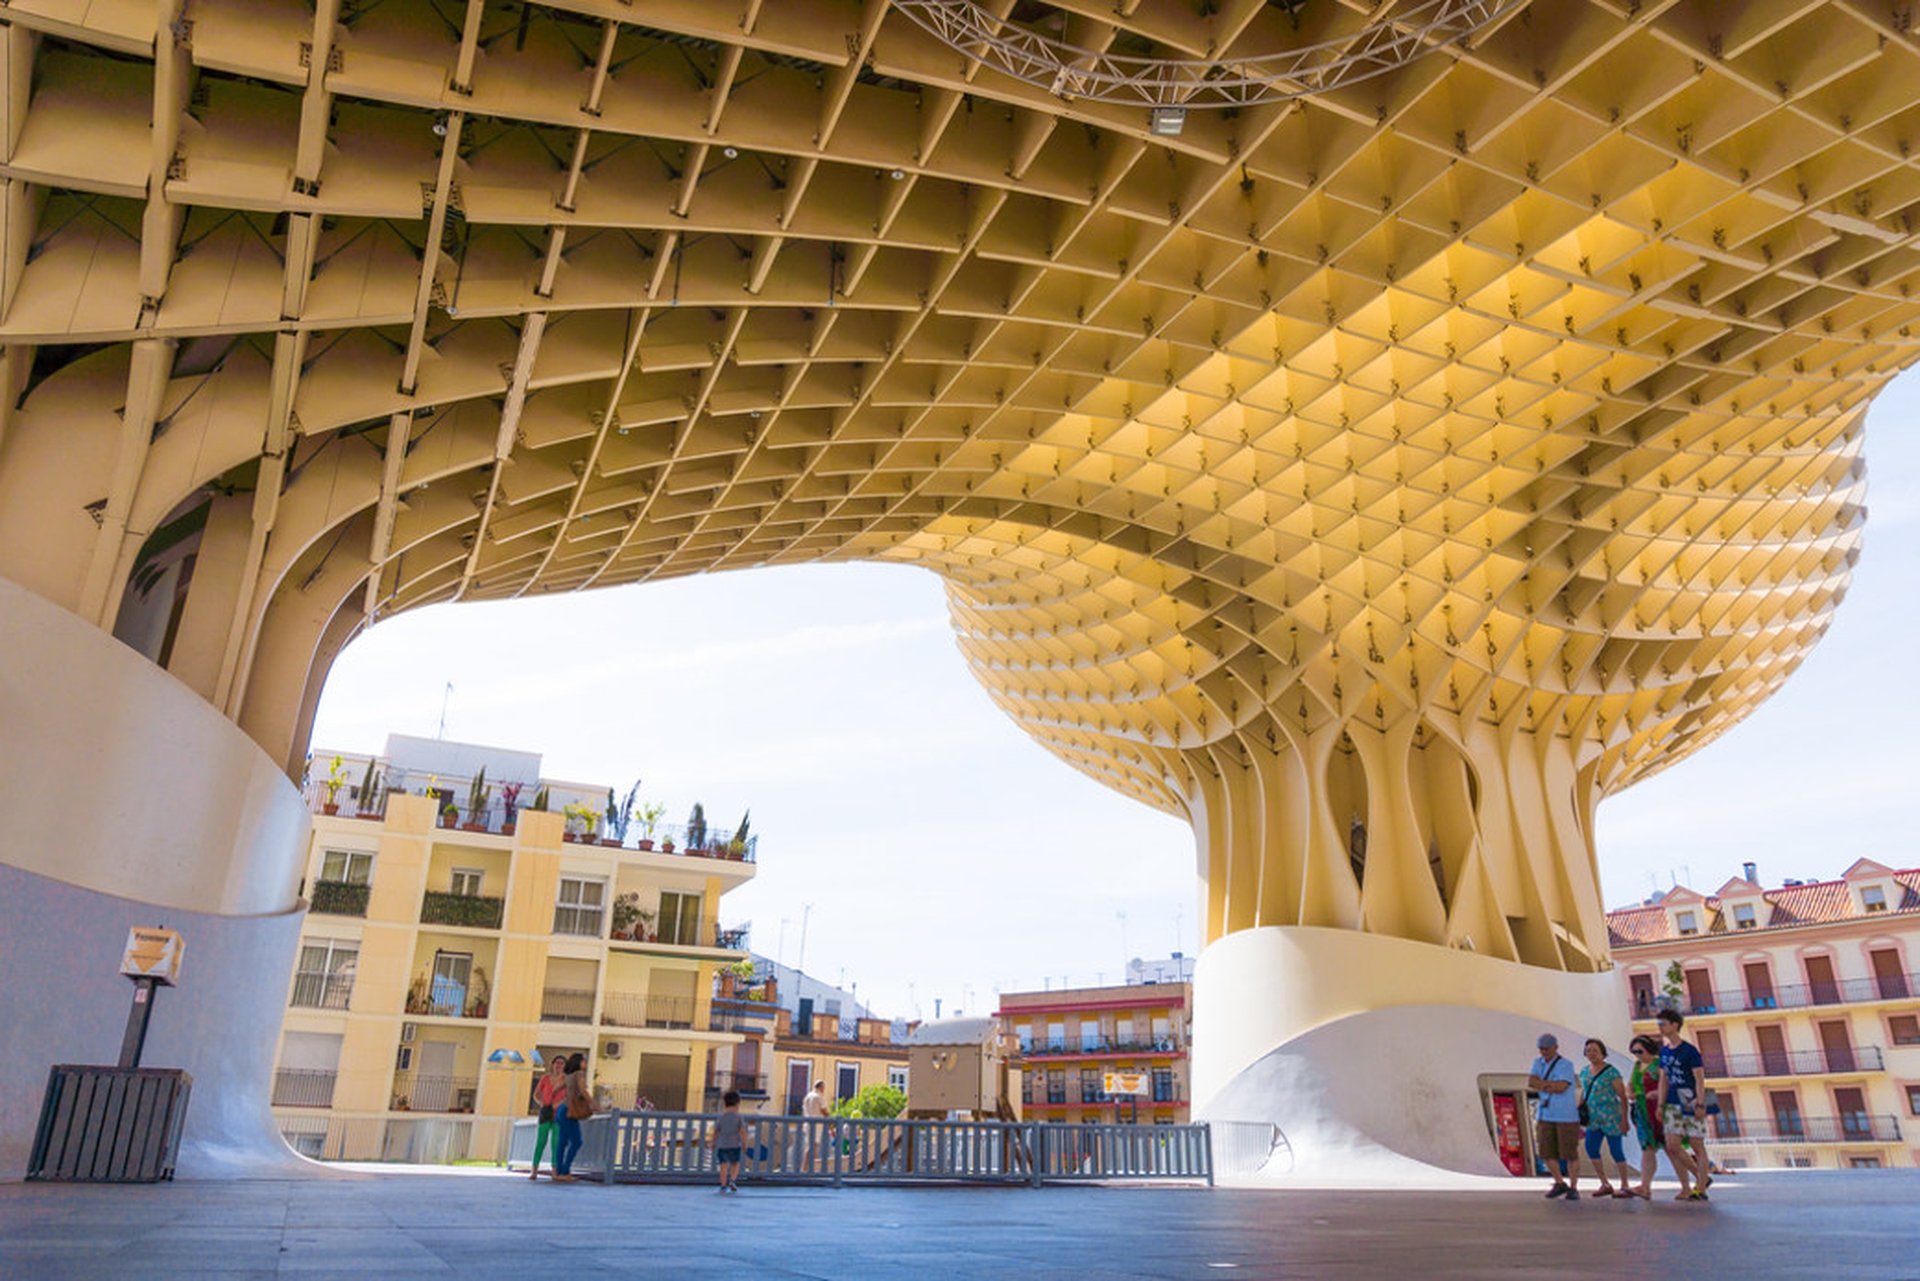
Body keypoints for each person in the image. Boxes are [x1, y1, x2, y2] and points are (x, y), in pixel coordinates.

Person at [1655, 1011, 1710, 1201]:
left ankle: (1701, 1188)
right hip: (1671, 1102)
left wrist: (1701, 1103)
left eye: (1663, 1023)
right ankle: (1700, 1176)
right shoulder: (1663, 1052)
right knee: (1672, 1145)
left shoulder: (1690, 1051)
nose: (1660, 1026)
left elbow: (1699, 1078)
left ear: (1675, 1025)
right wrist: (1660, 1104)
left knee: (1697, 1144)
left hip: (1690, 1099)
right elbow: (1663, 1080)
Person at [1528, 1032, 1582, 1200]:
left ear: (1555, 1048)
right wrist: (1549, 1085)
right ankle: (1559, 1182)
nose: (1543, 1052)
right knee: (1546, 1151)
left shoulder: (1565, 1064)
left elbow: (1562, 1087)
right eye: (1541, 1049)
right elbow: (1531, 1082)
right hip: (1545, 1114)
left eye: (1546, 1048)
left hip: (1566, 1115)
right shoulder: (1537, 1063)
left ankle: (1573, 1186)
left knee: (1569, 1152)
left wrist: (1543, 1085)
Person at [1578, 1038, 1631, 1198]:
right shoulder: (1585, 1072)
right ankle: (1604, 1182)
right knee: (1591, 1148)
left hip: (1610, 1116)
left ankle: (1624, 1184)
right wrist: (1579, 1109)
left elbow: (1622, 1096)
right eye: (1588, 1050)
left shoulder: (1611, 1072)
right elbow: (1584, 1091)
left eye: (1595, 1050)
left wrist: (1624, 1119)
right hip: (1592, 1117)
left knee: (1616, 1150)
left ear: (1602, 1052)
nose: (1591, 1054)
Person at [1624, 1034, 1664, 1200]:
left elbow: (1667, 1084)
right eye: (1634, 1052)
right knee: (1647, 1148)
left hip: (1657, 1108)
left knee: (1672, 1149)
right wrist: (1629, 1093)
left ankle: (1698, 1178)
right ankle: (1645, 1186)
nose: (1637, 1055)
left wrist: (1658, 1094)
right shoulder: (1637, 1065)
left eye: (1639, 1051)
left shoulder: (1659, 1064)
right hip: (1641, 1109)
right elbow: (1630, 1084)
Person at [529, 1055, 568, 1180]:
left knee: (556, 1143)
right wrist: (541, 1103)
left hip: (559, 1114)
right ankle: (534, 1170)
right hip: (545, 1113)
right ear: (553, 1064)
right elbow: (536, 1094)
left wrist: (559, 1103)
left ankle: (555, 1171)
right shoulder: (545, 1078)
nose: (559, 1065)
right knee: (541, 1142)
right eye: (557, 1062)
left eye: (562, 1063)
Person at [553, 1051, 590, 1183]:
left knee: (562, 1142)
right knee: (576, 1141)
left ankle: (558, 1172)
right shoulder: (579, 1074)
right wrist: (593, 1104)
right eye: (584, 1059)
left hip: (562, 1110)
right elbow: (584, 1091)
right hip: (570, 1111)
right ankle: (565, 1171)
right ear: (578, 1062)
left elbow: (557, 1088)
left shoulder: (568, 1076)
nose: (586, 1062)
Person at [712, 1089, 752, 1193]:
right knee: (735, 1164)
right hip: (735, 1145)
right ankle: (732, 1180)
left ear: (724, 1104)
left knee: (723, 1166)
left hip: (722, 1145)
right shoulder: (739, 1117)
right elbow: (742, 1131)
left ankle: (723, 1185)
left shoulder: (721, 1117)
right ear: (738, 1104)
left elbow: (716, 1131)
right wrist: (745, 1143)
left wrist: (713, 1142)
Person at [802, 1078, 830, 1170]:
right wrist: (830, 1123)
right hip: (816, 1124)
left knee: (811, 1146)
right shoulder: (819, 1097)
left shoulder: (807, 1096)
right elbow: (824, 1111)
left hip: (807, 1123)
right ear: (821, 1087)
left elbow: (804, 1111)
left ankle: (810, 1167)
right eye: (824, 1087)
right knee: (813, 1146)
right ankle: (809, 1168)